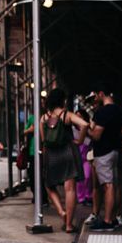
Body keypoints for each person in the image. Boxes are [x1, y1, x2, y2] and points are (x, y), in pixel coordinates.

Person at [40, 88, 89, 233]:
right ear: (62, 100)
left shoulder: (43, 118)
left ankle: (61, 212)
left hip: (52, 155)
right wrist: (79, 141)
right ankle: (68, 225)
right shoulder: (67, 115)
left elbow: (43, 140)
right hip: (68, 152)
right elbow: (85, 125)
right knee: (70, 189)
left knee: (49, 185)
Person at [88, 84, 122, 231]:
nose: (96, 98)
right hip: (115, 151)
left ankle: (107, 221)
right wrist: (114, 132)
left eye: (96, 95)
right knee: (113, 184)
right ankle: (114, 217)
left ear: (101, 94)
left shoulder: (102, 112)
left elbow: (96, 135)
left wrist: (87, 129)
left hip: (104, 152)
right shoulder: (119, 111)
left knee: (108, 186)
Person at [73, 108, 93, 205]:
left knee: (88, 176)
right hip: (77, 157)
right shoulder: (72, 130)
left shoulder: (88, 128)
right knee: (79, 179)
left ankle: (88, 196)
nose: (78, 118)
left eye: (80, 116)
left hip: (87, 157)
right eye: (77, 116)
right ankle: (81, 198)